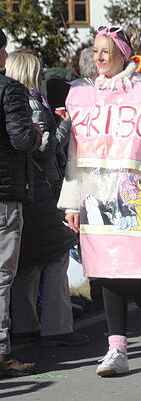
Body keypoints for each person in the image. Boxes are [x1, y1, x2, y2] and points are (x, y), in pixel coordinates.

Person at [59, 26, 141, 376]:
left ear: (123, 54)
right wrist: (72, 203)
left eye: (106, 50)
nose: (99, 57)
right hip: (96, 194)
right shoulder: (85, 97)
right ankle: (116, 349)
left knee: (134, 270)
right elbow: (76, 152)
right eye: (95, 50)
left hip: (138, 194)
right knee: (106, 272)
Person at [6, 52, 88, 349]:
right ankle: (57, 327)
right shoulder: (33, 104)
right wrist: (67, 124)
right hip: (44, 190)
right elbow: (44, 146)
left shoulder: (12, 103)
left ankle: (25, 325)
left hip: (26, 189)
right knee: (56, 258)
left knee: (27, 263)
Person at [0, 32, 41, 378]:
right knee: (1, 275)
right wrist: (38, 132)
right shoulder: (9, 89)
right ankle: (1, 352)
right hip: (4, 194)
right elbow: (22, 140)